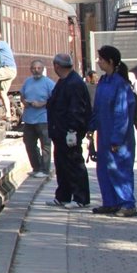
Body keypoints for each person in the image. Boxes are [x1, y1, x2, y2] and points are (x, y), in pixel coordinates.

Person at [89, 45, 137, 217]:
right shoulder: (103, 81)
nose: (98, 62)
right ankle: (110, 202)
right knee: (104, 170)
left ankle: (128, 204)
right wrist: (91, 127)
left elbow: (122, 114)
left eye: (101, 59)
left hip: (119, 138)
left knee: (120, 170)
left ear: (110, 61)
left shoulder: (120, 84)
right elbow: (97, 108)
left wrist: (117, 139)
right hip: (103, 135)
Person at [45, 53, 91, 209]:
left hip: (68, 132)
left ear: (57, 66)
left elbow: (77, 109)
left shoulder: (73, 83)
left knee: (74, 163)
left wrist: (73, 130)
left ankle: (81, 198)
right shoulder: (65, 81)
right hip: (60, 131)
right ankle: (63, 196)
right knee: (62, 164)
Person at [19, 59, 55, 179]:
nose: (36, 70)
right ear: (31, 70)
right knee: (29, 143)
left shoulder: (49, 83)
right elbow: (22, 95)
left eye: (39, 68)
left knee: (45, 145)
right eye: (34, 68)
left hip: (43, 118)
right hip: (29, 118)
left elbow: (55, 99)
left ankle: (45, 170)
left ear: (43, 69)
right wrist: (24, 101)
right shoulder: (27, 81)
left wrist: (42, 103)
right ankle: (36, 167)